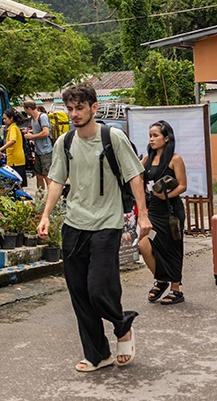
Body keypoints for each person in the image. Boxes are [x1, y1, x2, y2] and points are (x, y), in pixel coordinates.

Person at [37, 83, 150, 372]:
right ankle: (98, 354)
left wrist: (143, 215)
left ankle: (122, 326)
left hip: (107, 223)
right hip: (74, 224)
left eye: (80, 108)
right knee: (79, 293)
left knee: (98, 288)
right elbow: (56, 180)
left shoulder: (112, 137)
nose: (74, 114)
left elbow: (135, 175)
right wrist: (46, 215)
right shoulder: (64, 142)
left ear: (94, 107)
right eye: (70, 109)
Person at [139, 121, 188, 305]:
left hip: (171, 211)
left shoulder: (175, 159)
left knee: (172, 248)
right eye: (150, 136)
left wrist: (164, 195)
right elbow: (138, 180)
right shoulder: (147, 160)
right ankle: (160, 279)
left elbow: (182, 186)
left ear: (166, 138)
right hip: (154, 212)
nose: (152, 139)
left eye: (156, 135)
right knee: (145, 243)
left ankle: (176, 289)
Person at [23, 100, 55, 192]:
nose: (26, 112)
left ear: (29, 109)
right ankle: (40, 197)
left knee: (47, 176)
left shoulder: (42, 117)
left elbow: (46, 132)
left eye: (25, 110)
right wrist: (30, 132)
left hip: (46, 151)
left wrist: (32, 136)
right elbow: (38, 131)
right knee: (39, 175)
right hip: (38, 151)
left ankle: (52, 197)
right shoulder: (32, 119)